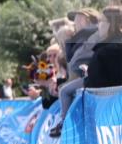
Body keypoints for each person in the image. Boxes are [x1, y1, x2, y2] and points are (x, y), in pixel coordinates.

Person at [52, 7, 122, 136]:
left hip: (105, 112)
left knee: (65, 91)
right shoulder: (107, 47)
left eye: (102, 21)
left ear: (110, 24)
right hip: (113, 110)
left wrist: (88, 72)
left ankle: (65, 126)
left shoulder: (105, 50)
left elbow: (96, 82)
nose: (99, 26)